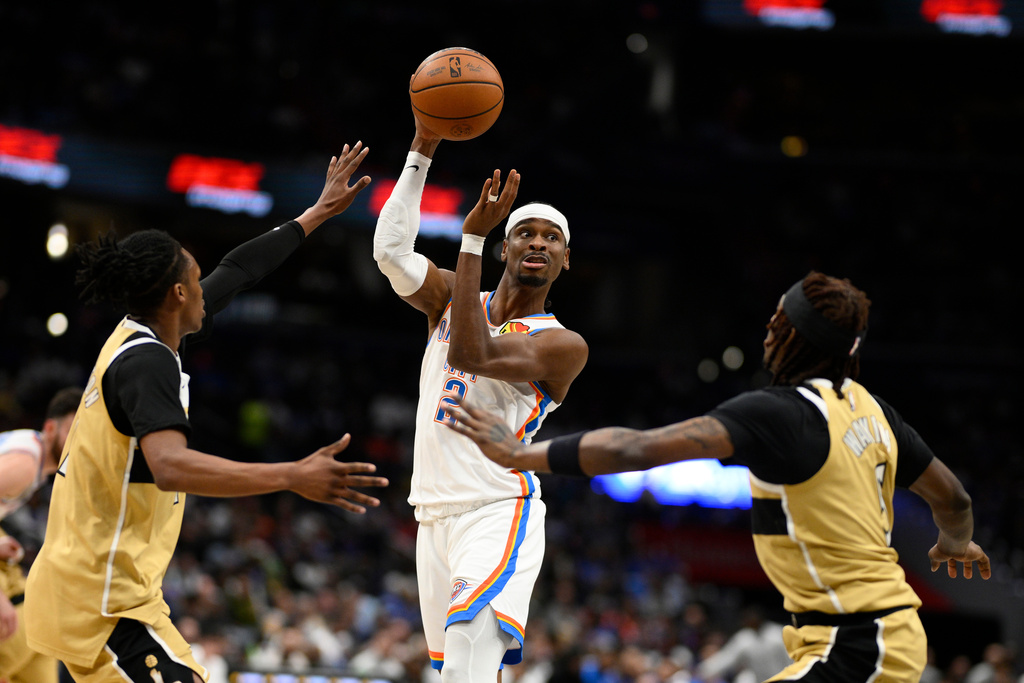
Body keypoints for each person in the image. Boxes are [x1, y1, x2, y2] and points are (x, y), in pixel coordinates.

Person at [446, 271, 992, 683]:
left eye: (776, 321)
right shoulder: (876, 413)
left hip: (857, 641)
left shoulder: (779, 412)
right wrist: (956, 542)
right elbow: (955, 498)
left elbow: (637, 449)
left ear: (789, 334)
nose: (768, 331)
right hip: (872, 636)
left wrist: (522, 456)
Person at [23, 143, 390, 683]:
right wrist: (291, 475)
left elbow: (236, 271)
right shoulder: (148, 363)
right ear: (177, 294)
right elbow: (171, 465)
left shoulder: (143, 334)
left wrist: (315, 214)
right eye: (195, 281)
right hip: (103, 604)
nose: (206, 290)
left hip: (110, 593)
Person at [372, 112, 588, 682]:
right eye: (524, 232)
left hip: (497, 506)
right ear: (506, 249)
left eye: (552, 238)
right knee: (455, 675)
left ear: (566, 259)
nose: (537, 242)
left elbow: (472, 354)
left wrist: (471, 238)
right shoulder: (451, 296)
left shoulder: (561, 344)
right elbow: (390, 251)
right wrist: (421, 149)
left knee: (471, 652)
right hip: (432, 514)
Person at [0, 386, 82, 683]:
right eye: (75, 430)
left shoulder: (32, 460)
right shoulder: (25, 463)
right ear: (50, 428)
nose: (82, 442)